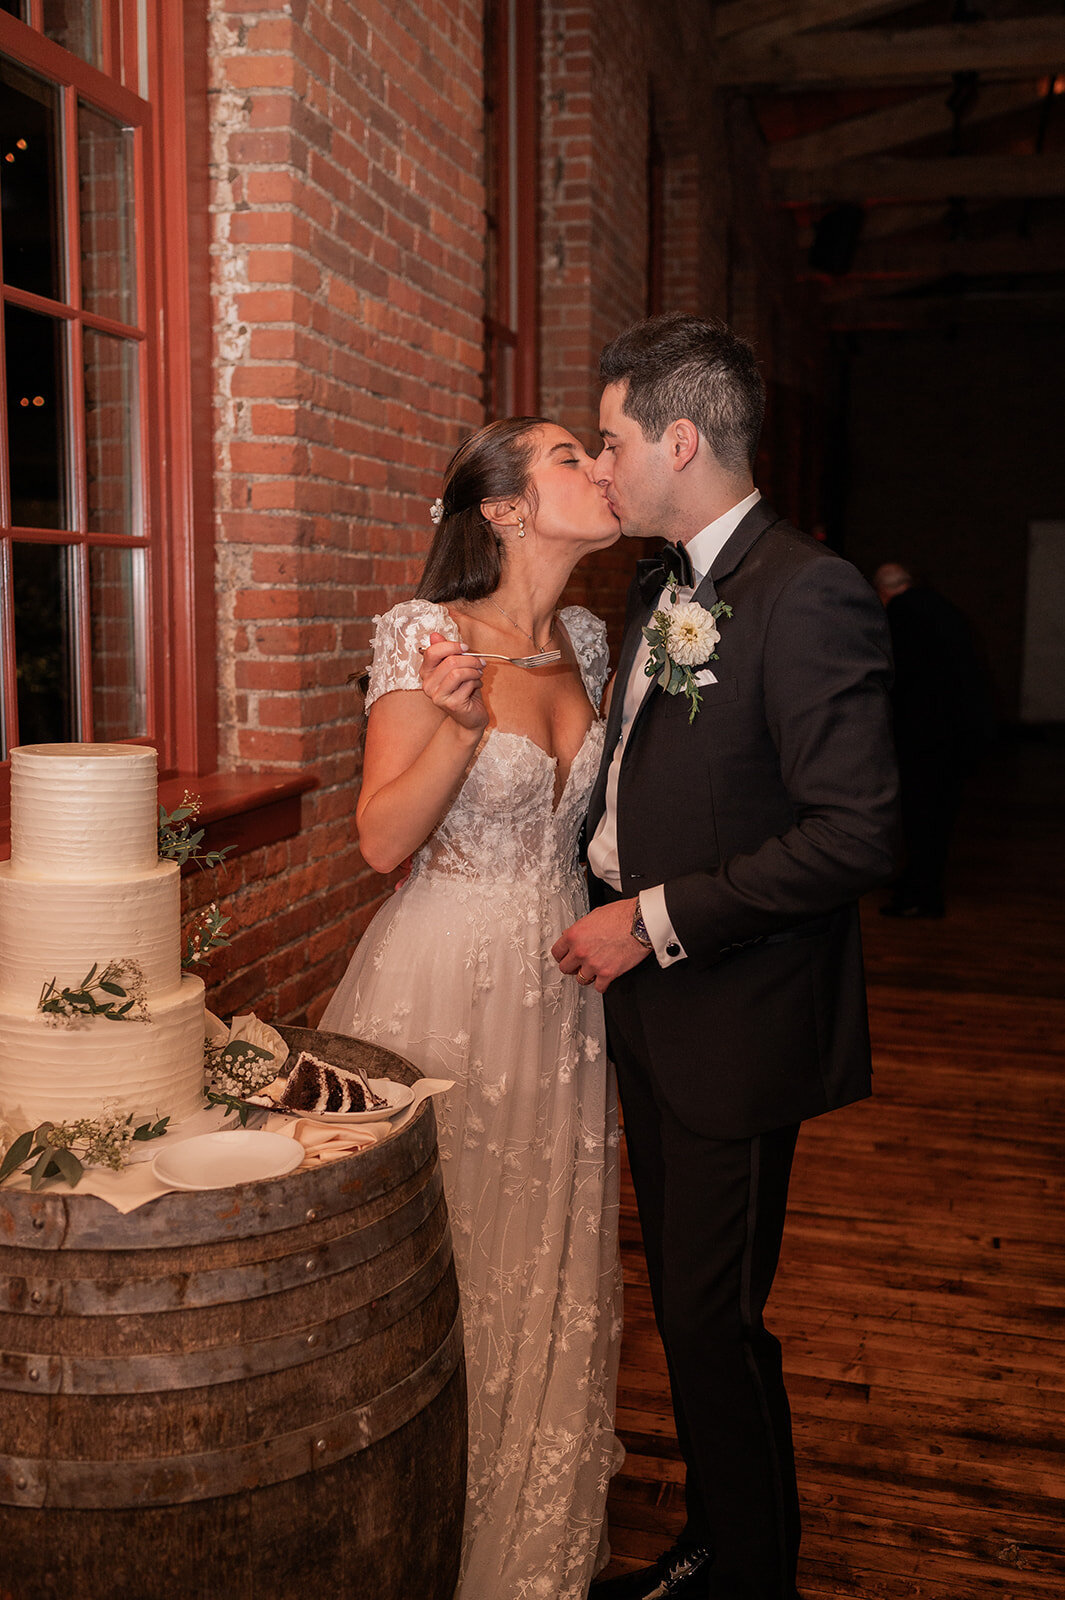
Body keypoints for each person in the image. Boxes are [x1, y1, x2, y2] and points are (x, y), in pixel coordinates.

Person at [552, 314, 898, 1600]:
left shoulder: (810, 590)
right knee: (686, 1304)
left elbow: (857, 831)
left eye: (614, 437)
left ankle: (745, 1565)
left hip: (736, 1015)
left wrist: (648, 917)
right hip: (648, 1006)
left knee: (711, 1314)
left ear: (681, 440)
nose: (604, 462)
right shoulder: (657, 588)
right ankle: (719, 1531)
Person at [319, 416, 624, 1600]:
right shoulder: (424, 633)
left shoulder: (593, 642)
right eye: (565, 456)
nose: (596, 470)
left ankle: (521, 1552)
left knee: (540, 1264)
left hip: (561, 1001)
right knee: (442, 1263)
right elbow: (380, 838)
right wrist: (454, 723)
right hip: (442, 978)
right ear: (500, 508)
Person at [874, 562, 993, 918]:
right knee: (933, 818)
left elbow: (901, 678)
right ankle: (916, 881)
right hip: (952, 735)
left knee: (923, 819)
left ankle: (921, 896)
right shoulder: (937, 606)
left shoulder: (903, 613)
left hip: (928, 739)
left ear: (882, 592)